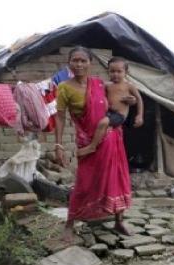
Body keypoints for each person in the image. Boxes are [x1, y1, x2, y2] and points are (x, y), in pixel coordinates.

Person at [54, 47, 134, 242]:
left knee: (116, 178)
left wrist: (129, 101)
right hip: (87, 142)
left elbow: (116, 103)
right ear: (69, 62)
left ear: (90, 63)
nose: (79, 64)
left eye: (83, 61)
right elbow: (60, 117)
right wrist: (58, 144)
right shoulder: (64, 87)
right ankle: (70, 223)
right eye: (75, 60)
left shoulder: (99, 84)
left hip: (112, 139)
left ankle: (119, 220)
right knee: (84, 182)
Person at [76, 57, 144, 157]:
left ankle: (92, 147)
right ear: (108, 71)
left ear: (126, 72)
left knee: (103, 122)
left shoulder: (129, 85)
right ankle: (91, 144)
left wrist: (139, 115)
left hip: (120, 115)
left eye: (119, 71)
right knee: (98, 123)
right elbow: (98, 95)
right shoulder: (107, 85)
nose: (115, 74)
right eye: (112, 71)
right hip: (108, 113)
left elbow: (139, 99)